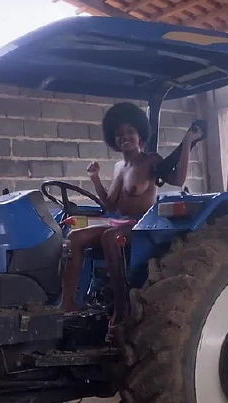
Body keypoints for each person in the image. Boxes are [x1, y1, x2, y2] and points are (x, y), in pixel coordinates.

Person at [59, 101, 203, 338]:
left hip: (141, 223)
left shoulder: (151, 161)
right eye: (119, 134)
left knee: (110, 237)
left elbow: (177, 180)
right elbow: (110, 206)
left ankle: (121, 306)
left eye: (129, 131)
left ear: (139, 135)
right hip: (120, 221)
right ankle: (67, 303)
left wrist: (187, 142)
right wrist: (95, 178)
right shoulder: (119, 167)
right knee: (74, 236)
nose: (124, 137)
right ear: (114, 140)